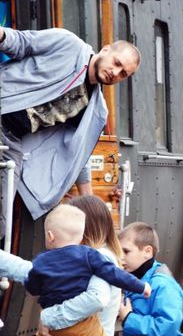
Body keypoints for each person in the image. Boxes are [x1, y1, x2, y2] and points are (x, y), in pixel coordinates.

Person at [0, 26, 141, 237]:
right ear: (105, 50)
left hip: (11, 139)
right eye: (117, 63)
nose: (115, 72)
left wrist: (91, 205)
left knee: (3, 220)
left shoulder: (96, 110)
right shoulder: (69, 44)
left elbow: (78, 154)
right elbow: (22, 43)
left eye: (123, 74)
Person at [0, 195, 132, 336]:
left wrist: (50, 317)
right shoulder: (82, 261)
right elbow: (32, 272)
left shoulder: (100, 257)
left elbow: (97, 298)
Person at [26, 204, 150, 336]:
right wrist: (141, 287)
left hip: (55, 328)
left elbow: (32, 286)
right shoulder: (91, 256)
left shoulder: (41, 260)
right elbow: (108, 285)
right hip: (82, 328)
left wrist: (47, 315)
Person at [118, 222, 183, 336]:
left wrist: (129, 318)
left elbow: (165, 327)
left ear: (147, 251)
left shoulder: (162, 285)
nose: (121, 257)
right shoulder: (139, 282)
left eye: (126, 251)